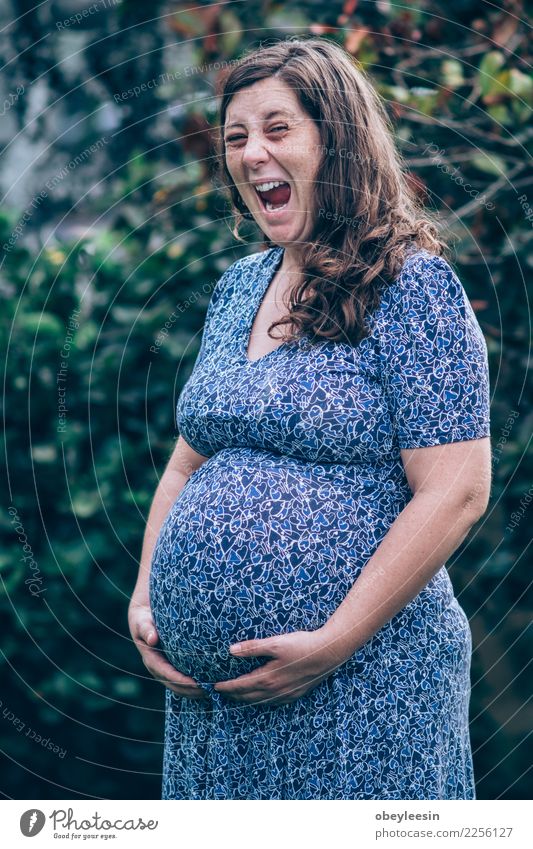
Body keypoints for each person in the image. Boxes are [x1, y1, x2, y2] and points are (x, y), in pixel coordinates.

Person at [128, 37, 491, 800]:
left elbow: (455, 489)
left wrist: (332, 641)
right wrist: (147, 599)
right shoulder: (237, 288)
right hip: (213, 708)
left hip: (363, 685)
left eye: (277, 128)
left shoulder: (412, 287)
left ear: (337, 139)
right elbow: (187, 463)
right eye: (235, 137)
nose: (252, 152)